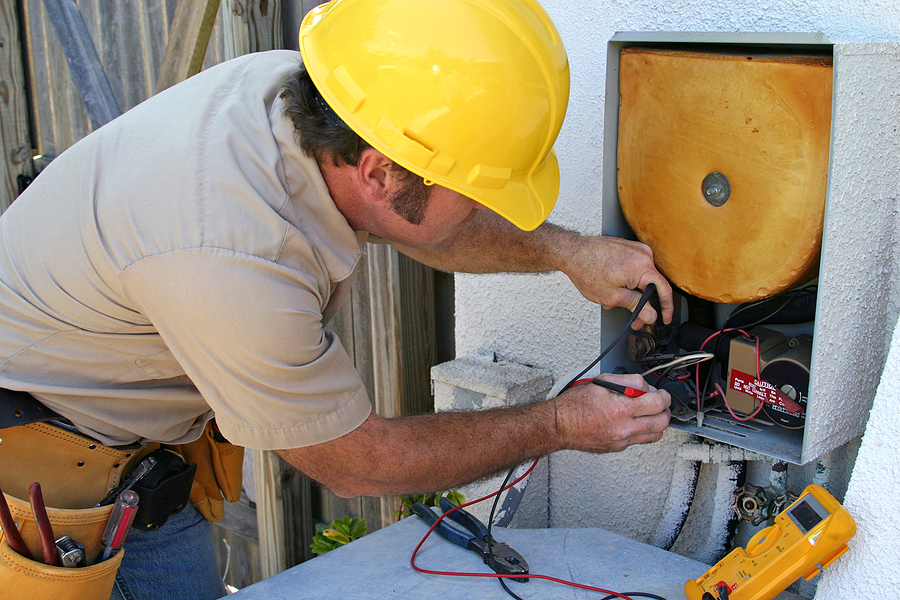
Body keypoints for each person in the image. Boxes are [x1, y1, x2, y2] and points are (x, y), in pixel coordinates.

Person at [0, 0, 672, 598]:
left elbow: (421, 222)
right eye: (478, 190)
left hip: (142, 467)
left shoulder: (324, 96)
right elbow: (355, 461)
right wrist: (561, 424)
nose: (489, 208)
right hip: (41, 486)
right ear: (381, 170)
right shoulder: (235, 254)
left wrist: (569, 252)